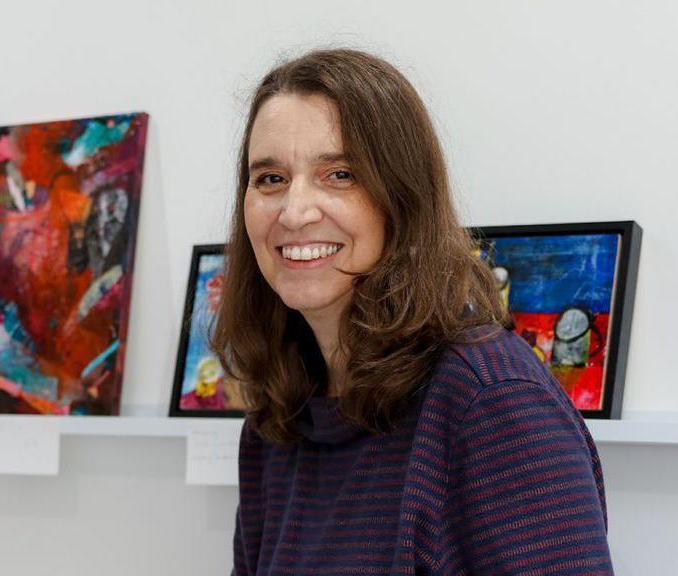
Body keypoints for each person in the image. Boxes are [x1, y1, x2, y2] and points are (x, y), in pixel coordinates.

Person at [212, 49, 613, 575]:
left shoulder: (491, 401)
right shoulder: (278, 416)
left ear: (401, 197)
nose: (294, 212)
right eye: (270, 179)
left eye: (339, 174)